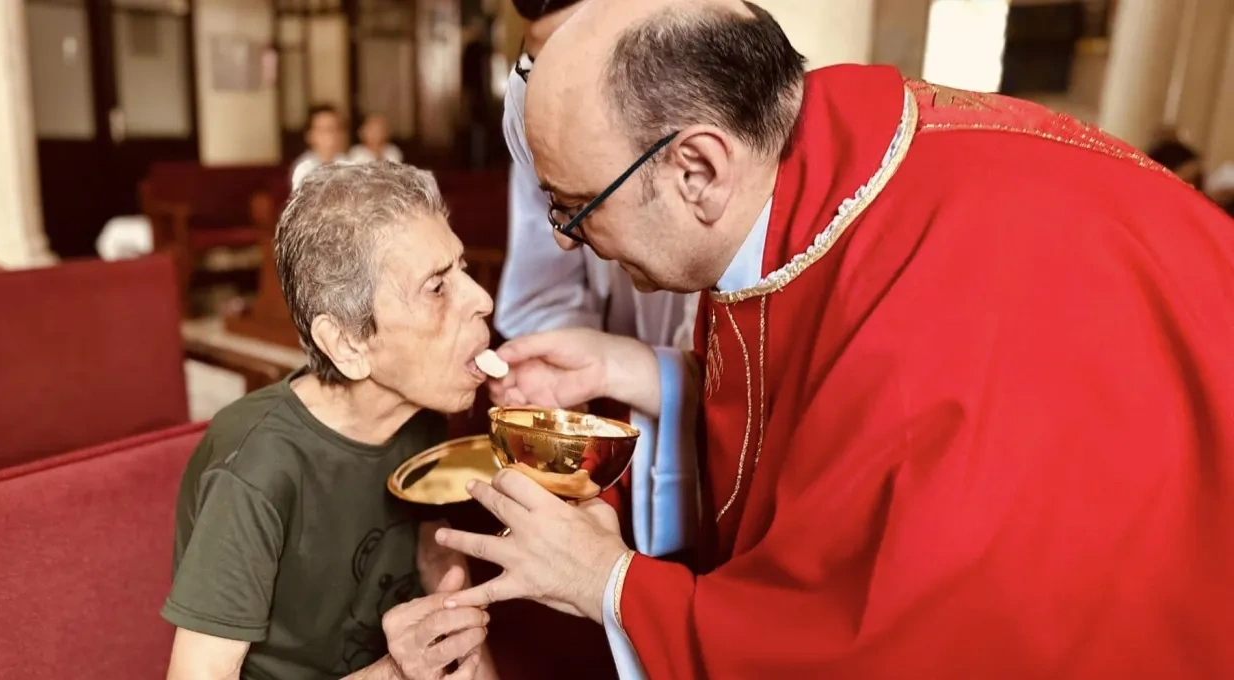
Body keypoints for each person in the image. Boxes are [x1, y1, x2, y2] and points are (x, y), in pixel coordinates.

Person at [435, 0, 1234, 677]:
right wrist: (649, 371)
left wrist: (607, 582)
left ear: (698, 170)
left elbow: (893, 641)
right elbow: (819, 400)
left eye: (576, 207)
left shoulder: (938, 323)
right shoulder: (816, 182)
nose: (566, 241)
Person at [163, 162, 500, 680]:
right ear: (347, 343)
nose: (483, 299)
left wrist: (452, 596)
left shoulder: (420, 413)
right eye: (437, 287)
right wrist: (395, 673)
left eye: (463, 270)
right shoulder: (256, 471)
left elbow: (430, 548)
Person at [499, 0, 698, 354]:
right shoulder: (544, 128)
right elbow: (543, 293)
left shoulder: (701, 128)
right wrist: (578, 358)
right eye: (538, 64)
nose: (554, 93)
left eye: (575, 66)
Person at [290, 105, 351, 188]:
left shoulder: (349, 163)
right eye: (324, 129)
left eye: (336, 128)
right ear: (310, 136)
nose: (332, 135)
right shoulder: (303, 168)